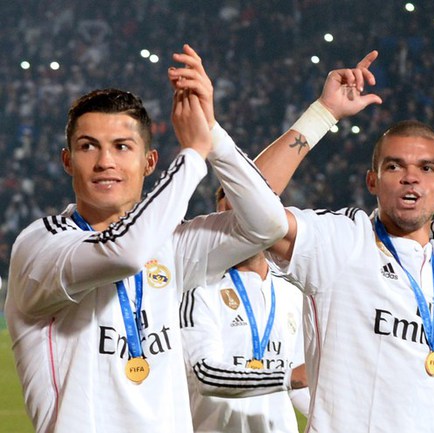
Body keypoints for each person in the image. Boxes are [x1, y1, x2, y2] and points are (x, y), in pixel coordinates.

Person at [171, 51, 434, 432]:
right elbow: (244, 209)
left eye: (426, 168)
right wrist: (322, 114)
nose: (411, 177)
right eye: (394, 166)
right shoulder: (340, 243)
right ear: (372, 181)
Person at [5, 44, 288, 433]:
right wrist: (193, 156)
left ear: (149, 162)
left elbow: (268, 225)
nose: (105, 162)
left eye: (122, 147)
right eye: (88, 146)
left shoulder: (171, 245)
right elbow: (125, 254)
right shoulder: (41, 244)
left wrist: (212, 132)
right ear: (67, 161)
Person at [180, 187, 310, 433]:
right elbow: (204, 374)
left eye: (248, 210)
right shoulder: (198, 288)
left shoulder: (292, 291)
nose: (241, 222)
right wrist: (289, 377)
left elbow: (300, 383)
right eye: (230, 213)